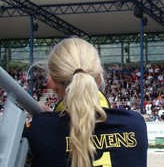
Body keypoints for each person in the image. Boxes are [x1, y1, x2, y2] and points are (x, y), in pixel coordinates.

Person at [23, 37, 148, 167]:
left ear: (51, 82)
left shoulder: (39, 129)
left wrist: (36, 121)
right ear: (100, 77)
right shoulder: (135, 124)